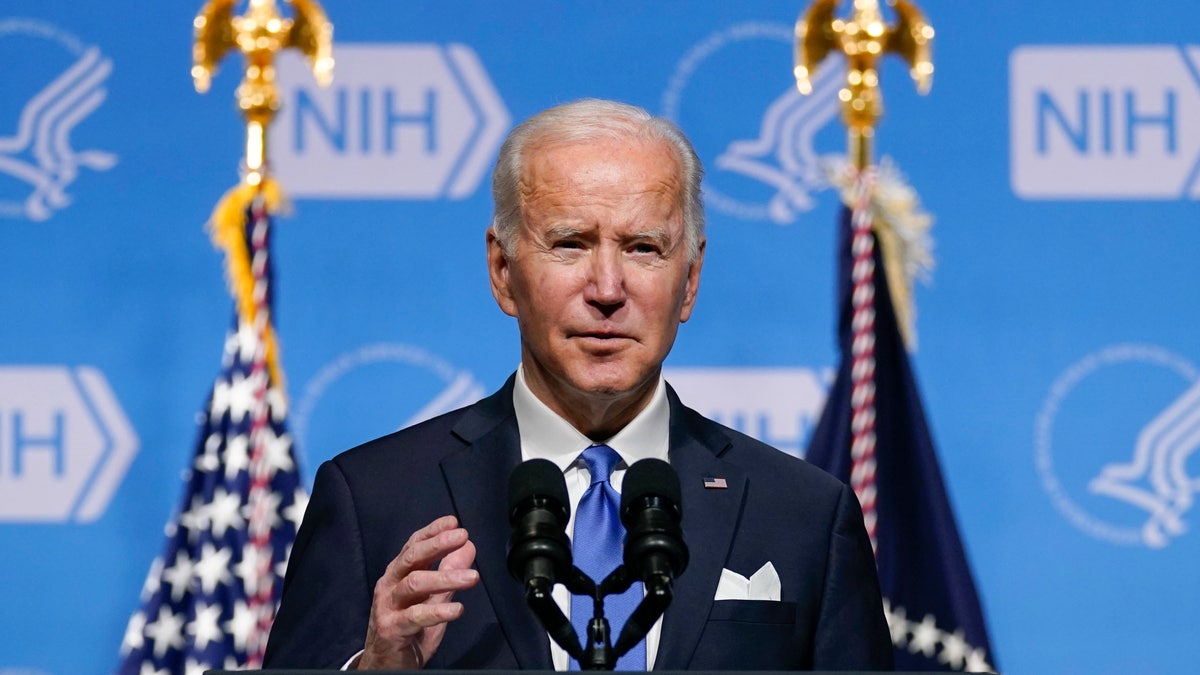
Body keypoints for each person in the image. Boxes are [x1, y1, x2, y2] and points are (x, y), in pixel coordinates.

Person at [262, 99, 893, 671]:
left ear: (691, 280)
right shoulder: (373, 500)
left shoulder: (804, 515)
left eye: (644, 248)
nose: (608, 290)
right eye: (570, 243)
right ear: (503, 271)